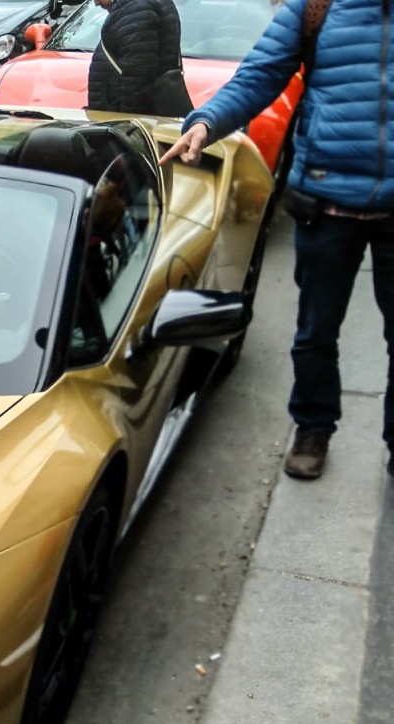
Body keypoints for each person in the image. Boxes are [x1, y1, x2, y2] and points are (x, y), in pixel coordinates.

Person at [163, 0, 394, 480]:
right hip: (326, 203)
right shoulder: (318, 8)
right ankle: (313, 428)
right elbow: (258, 76)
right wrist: (206, 123)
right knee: (315, 331)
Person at [85, 0, 185, 113]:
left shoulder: (137, 10)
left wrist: (126, 125)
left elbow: (137, 80)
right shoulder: (140, 7)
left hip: (124, 119)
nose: (96, 3)